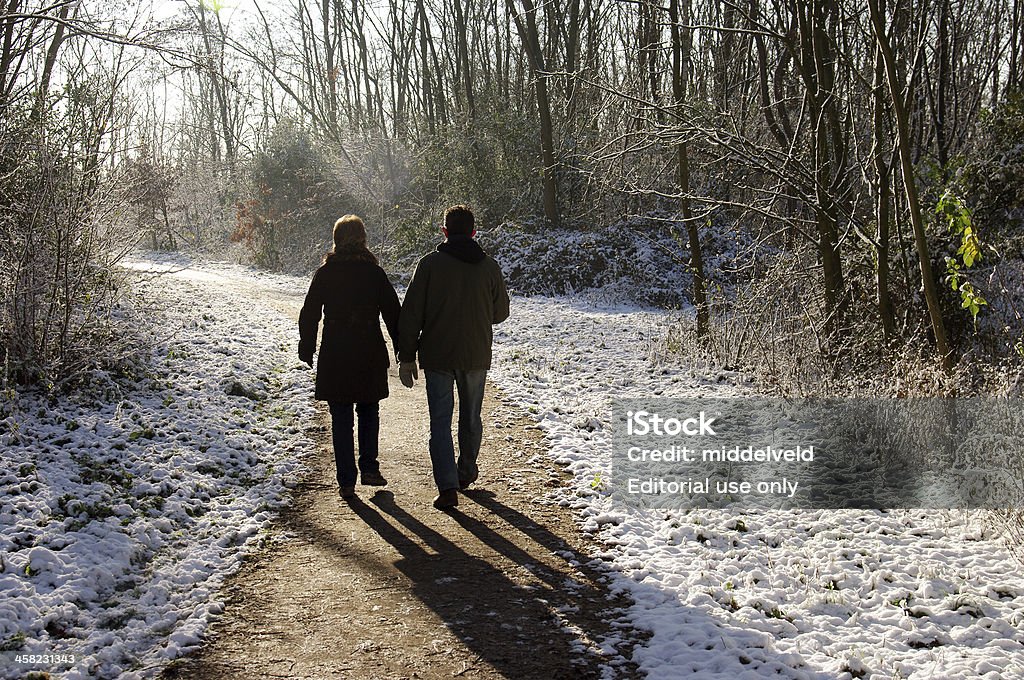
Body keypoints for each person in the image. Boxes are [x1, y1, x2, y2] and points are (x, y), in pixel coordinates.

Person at [398, 205, 510, 510]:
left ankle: (447, 487)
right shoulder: (489, 267)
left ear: (444, 231)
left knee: (440, 421)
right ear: (474, 232)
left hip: (437, 354)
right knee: (471, 416)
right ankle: (466, 471)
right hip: (475, 354)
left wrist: (406, 356)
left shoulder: (429, 265)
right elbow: (500, 313)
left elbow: (411, 314)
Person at [299, 215, 400, 500]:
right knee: (369, 410)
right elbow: (393, 313)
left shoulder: (326, 273)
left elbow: (310, 313)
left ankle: (346, 480)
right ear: (363, 239)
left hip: (336, 352)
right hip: (368, 348)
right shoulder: (374, 274)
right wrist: (404, 349)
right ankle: (369, 466)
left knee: (340, 416)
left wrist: (307, 346)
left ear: (336, 239)